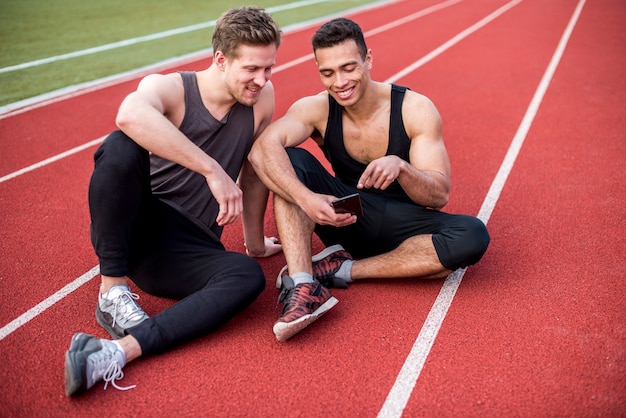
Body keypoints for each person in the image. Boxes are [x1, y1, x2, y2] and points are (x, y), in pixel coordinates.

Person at [64, 6, 282, 396]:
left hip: (189, 248)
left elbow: (251, 173)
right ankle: (112, 289)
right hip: (141, 226)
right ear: (220, 59)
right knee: (119, 147)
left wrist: (254, 242)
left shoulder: (262, 99)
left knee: (248, 277)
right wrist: (212, 170)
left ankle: (116, 352)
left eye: (268, 68)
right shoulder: (171, 89)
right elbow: (129, 115)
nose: (261, 80)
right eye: (251, 69)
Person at [248, 17, 490, 342]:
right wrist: (306, 199)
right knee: (290, 159)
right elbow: (262, 149)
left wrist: (402, 168)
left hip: (404, 224)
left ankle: (340, 269)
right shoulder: (316, 109)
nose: (339, 82)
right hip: (348, 216)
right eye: (327, 72)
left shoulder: (414, 109)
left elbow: (439, 195)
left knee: (471, 236)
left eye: (348, 68)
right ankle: (305, 285)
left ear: (369, 59)